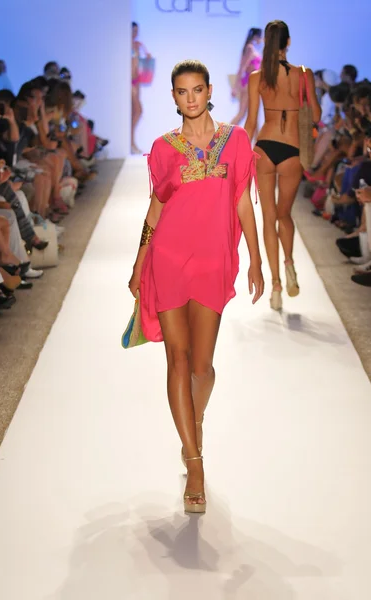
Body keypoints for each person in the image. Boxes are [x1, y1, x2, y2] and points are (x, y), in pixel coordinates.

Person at [128, 59, 264, 514]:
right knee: (177, 358)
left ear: (209, 92)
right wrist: (139, 261)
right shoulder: (164, 148)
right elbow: (155, 209)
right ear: (173, 97)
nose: (190, 98)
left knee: (202, 368)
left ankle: (195, 419)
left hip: (212, 261)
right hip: (168, 260)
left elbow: (243, 199)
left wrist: (257, 259)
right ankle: (195, 461)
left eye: (197, 90)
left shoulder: (236, 140)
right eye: (182, 91)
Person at [244, 20, 321, 310]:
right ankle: (289, 266)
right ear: (288, 42)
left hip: (264, 147)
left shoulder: (257, 77)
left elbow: (251, 122)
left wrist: (240, 154)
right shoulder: (304, 74)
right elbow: (314, 114)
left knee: (268, 218)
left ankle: (275, 284)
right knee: (285, 216)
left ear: (267, 42)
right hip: (292, 149)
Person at [231, 28, 262, 126]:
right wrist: (236, 87)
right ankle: (223, 136)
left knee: (250, 114)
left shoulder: (251, 48)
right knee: (242, 113)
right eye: (260, 37)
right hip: (248, 84)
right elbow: (242, 67)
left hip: (252, 83)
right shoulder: (250, 48)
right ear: (256, 37)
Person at [131, 22, 151, 155]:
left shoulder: (137, 45)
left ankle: (131, 142)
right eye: (133, 30)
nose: (135, 33)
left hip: (136, 81)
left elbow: (144, 60)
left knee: (135, 112)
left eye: (137, 30)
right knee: (137, 110)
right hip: (129, 82)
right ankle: (130, 142)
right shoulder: (125, 45)